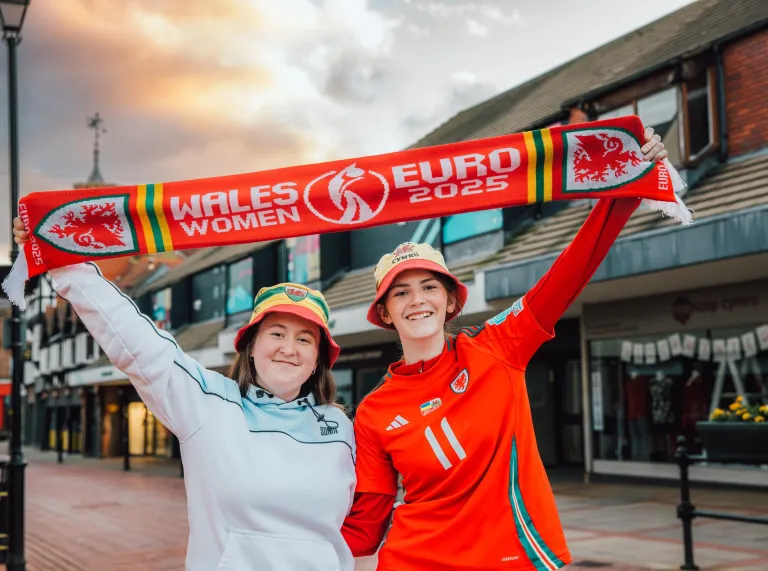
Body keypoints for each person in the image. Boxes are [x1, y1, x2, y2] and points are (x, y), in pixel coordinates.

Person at [341, 128, 668, 570]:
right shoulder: (374, 410)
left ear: (451, 300)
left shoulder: (496, 347)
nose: (416, 300)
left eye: (428, 287)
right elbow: (369, 516)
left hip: (513, 558)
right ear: (384, 313)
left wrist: (627, 186)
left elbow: (569, 273)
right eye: (399, 294)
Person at [13, 218, 355, 571]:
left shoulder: (339, 427)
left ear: (318, 360)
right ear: (250, 347)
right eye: (277, 334)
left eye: (304, 339)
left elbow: (360, 523)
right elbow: (136, 341)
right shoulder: (207, 402)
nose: (289, 348)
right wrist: (62, 259)